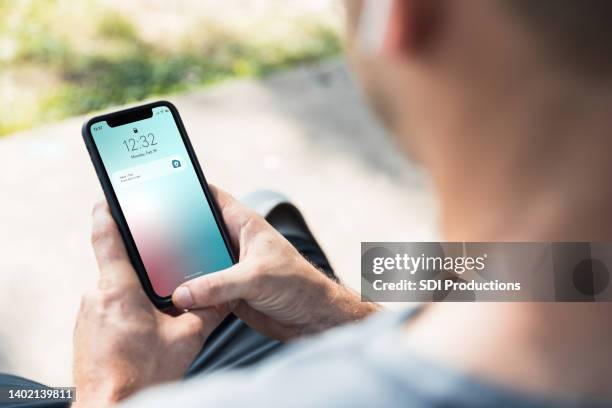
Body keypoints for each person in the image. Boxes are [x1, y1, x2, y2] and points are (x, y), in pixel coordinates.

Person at [3, 0, 612, 406]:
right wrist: (328, 310)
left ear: (398, 16)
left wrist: (109, 389)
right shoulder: (571, 277)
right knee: (274, 217)